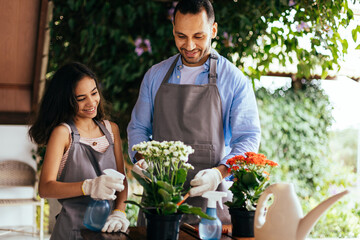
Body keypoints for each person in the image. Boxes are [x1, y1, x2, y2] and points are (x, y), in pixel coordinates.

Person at [128, 0, 261, 225]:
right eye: (181, 36)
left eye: (198, 36)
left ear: (213, 30)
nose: (189, 45)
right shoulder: (154, 76)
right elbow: (138, 128)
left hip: (211, 204)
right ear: (173, 31)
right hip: (158, 205)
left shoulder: (234, 80)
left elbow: (248, 138)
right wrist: (143, 162)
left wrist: (218, 173)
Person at [29, 62, 129, 239]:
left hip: (108, 232)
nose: (91, 103)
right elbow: (45, 188)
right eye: (81, 98)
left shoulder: (111, 130)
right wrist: (88, 186)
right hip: (72, 233)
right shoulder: (63, 133)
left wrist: (119, 211)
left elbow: (121, 180)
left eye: (94, 93)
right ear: (66, 100)